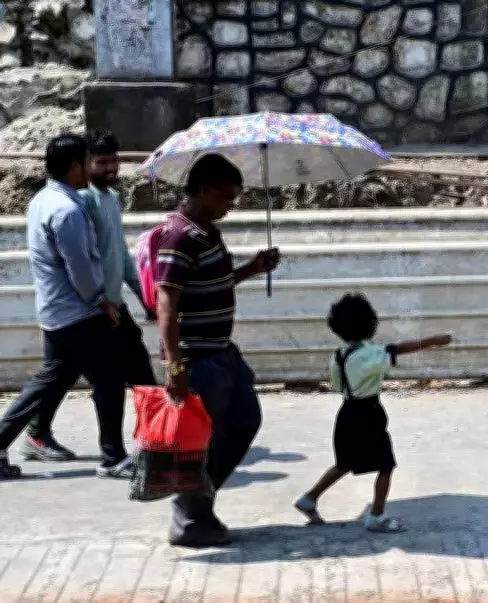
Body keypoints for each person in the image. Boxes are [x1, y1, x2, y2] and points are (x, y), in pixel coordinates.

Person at [156, 153, 280, 548]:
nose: (231, 204)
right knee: (201, 439)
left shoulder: (206, 231)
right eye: (227, 196)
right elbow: (166, 304)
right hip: (198, 358)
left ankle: (200, 503)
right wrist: (175, 366)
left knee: (244, 421)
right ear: (204, 189)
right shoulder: (179, 235)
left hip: (222, 352)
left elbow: (217, 281)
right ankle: (190, 517)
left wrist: (253, 268)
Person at [23, 129, 157, 463]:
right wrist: (99, 300)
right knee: (84, 378)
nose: (109, 167)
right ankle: (124, 450)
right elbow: (79, 262)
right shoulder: (79, 203)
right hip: (94, 308)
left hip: (109, 304)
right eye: (99, 161)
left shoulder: (110, 198)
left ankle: (156, 436)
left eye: (114, 160)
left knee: (132, 370)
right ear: (82, 165)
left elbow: (120, 256)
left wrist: (144, 296)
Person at [0, 134, 130, 480]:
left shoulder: (44, 199)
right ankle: (113, 457)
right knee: (109, 382)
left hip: (58, 311)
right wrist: (102, 301)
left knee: (49, 382)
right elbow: (80, 268)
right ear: (74, 167)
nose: (92, 167)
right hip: (78, 313)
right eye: (88, 161)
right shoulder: (67, 210)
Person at [295, 293, 452, 533]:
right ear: (370, 324)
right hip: (368, 414)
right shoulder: (371, 354)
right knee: (385, 465)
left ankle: (309, 499)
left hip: (346, 412)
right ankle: (376, 516)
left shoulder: (337, 355)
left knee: (345, 462)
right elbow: (397, 350)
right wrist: (432, 341)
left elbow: (337, 386)